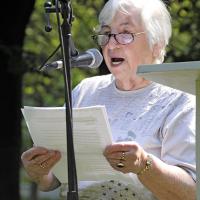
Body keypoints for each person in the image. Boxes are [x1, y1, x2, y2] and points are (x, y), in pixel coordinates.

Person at [21, 0, 196, 199]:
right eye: (106, 33)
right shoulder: (86, 90)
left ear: (156, 44)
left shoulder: (180, 100)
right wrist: (41, 172)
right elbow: (56, 179)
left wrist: (144, 165)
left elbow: (190, 192)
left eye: (125, 34)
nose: (111, 44)